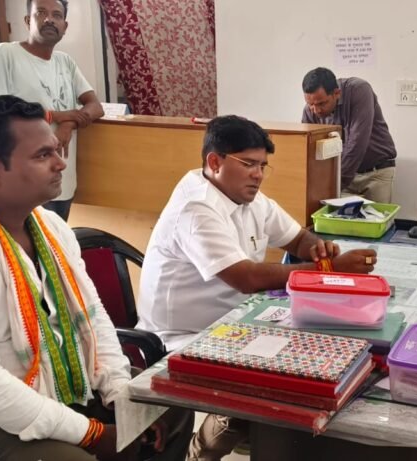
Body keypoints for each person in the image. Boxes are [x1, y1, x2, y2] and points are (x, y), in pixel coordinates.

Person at [0, 96, 188, 461]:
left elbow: (94, 319)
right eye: (43, 155)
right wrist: (92, 434)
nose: (61, 162)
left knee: (171, 405)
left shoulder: (50, 227)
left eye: (56, 150)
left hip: (56, 390)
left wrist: (120, 393)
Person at [136, 115, 377, 460]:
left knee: (317, 358)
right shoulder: (196, 207)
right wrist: (329, 269)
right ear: (215, 162)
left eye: (263, 165)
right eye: (248, 164)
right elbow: (246, 278)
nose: (258, 174)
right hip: (184, 334)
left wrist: (319, 249)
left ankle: (257, 433)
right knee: (277, 384)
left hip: (234, 322)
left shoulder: (248, 198)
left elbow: (297, 238)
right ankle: (202, 452)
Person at [0, 0, 104, 221]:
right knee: (20, 243)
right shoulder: (5, 54)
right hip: (22, 186)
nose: (49, 19)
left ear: (65, 26)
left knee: (54, 242)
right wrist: (54, 116)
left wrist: (68, 122)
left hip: (61, 182)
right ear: (28, 21)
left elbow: (95, 106)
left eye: (57, 15)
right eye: (41, 13)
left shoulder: (65, 62)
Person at [301, 67, 398, 203]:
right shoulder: (310, 110)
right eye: (310, 104)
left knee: (376, 216)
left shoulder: (359, 90)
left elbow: (356, 143)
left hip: (375, 174)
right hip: (340, 175)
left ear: (337, 93)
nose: (316, 110)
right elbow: (307, 150)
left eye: (321, 103)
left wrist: (334, 186)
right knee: (332, 217)